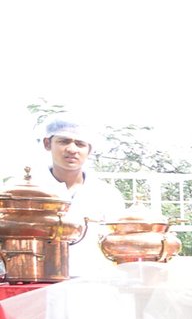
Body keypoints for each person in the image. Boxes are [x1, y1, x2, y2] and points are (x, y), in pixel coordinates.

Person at [33, 116, 127, 278]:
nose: (72, 149)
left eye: (80, 144)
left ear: (89, 150)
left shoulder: (107, 195)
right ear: (47, 144)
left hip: (95, 285)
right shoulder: (29, 192)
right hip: (38, 284)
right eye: (63, 141)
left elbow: (120, 243)